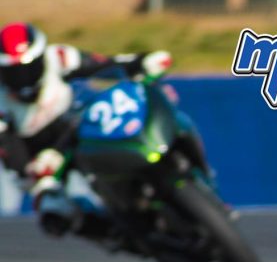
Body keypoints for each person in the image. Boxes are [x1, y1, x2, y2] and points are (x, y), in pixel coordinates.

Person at [0, 22, 171, 235]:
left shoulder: (59, 57)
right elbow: (11, 153)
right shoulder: (2, 104)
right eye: (13, 72)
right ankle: (115, 235)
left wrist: (140, 62)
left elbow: (104, 64)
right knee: (54, 212)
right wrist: (36, 172)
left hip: (83, 129)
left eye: (28, 68)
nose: (23, 78)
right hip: (48, 160)